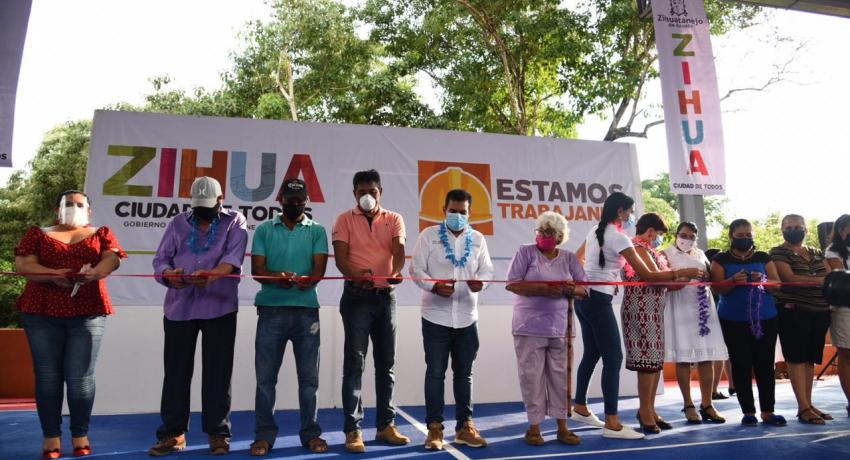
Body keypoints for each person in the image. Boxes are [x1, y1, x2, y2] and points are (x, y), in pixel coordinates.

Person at [570, 192, 701, 440]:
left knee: (593, 353)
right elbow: (648, 275)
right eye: (630, 212)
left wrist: (586, 280)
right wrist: (684, 272)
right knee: (613, 358)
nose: (631, 217)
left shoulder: (595, 230)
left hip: (584, 298)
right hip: (599, 300)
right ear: (621, 211)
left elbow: (577, 259)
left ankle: (580, 406)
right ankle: (612, 422)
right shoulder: (619, 237)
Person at [15, 190, 126, 460]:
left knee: (80, 378)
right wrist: (52, 274)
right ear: (57, 209)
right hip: (41, 312)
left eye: (79, 204)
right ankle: (51, 437)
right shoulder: (37, 233)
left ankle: (80, 435)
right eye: (67, 204)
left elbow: (112, 259)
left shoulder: (101, 233)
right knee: (47, 377)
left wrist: (94, 273)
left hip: (88, 312)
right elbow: (24, 264)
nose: (73, 207)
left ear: (89, 210)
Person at [148, 177, 249, 456]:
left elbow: (234, 258)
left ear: (220, 200)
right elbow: (160, 261)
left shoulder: (235, 221)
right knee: (176, 373)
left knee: (218, 373)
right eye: (198, 207)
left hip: (220, 307)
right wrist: (169, 275)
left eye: (208, 206)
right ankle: (173, 434)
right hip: (179, 307)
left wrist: (213, 275)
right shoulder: (177, 223)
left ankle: (218, 434)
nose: (202, 212)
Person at [249, 179, 329, 456]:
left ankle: (311, 434)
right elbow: (257, 270)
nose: (294, 204)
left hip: (307, 312)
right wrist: (276, 277)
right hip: (271, 311)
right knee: (265, 380)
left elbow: (319, 269)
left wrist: (310, 279)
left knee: (309, 380)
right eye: (289, 199)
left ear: (306, 201)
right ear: (280, 199)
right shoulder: (264, 230)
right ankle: (264, 436)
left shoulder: (317, 231)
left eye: (299, 200)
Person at [410, 189, 494, 451]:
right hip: (435, 317)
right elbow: (415, 269)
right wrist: (434, 286)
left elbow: (487, 270)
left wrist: (482, 283)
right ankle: (434, 429)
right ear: (444, 210)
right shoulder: (428, 236)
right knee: (435, 374)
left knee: (465, 375)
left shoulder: (478, 239)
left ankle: (464, 428)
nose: (458, 215)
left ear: (470, 213)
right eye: (453, 211)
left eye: (462, 212)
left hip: (467, 318)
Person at [332, 169, 410, 453]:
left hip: (386, 298)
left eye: (372, 191)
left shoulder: (394, 218)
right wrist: (356, 275)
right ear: (354, 193)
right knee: (355, 365)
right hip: (356, 298)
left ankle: (386, 426)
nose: (367, 196)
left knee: (386, 366)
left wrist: (396, 272)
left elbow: (398, 250)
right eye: (362, 192)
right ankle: (353, 430)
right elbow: (341, 260)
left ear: (381, 192)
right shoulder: (343, 220)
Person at [506, 211, 586, 447]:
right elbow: (512, 283)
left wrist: (571, 290)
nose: (542, 235)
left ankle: (563, 427)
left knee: (562, 379)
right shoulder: (525, 252)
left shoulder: (569, 258)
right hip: (528, 327)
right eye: (540, 231)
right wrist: (544, 289)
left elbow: (585, 289)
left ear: (559, 236)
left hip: (561, 328)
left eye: (548, 232)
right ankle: (534, 428)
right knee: (531, 378)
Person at [710, 218, 786, 427]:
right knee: (741, 364)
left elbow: (776, 284)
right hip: (733, 320)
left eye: (748, 235)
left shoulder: (763, 257)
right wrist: (732, 281)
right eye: (740, 235)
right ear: (731, 236)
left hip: (765, 318)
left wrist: (763, 280)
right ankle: (748, 411)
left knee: (765, 364)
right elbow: (718, 288)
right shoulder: (720, 259)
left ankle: (768, 411)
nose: (745, 238)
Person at [769, 214, 832, 424]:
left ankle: (809, 404)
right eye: (788, 227)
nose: (793, 230)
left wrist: (814, 280)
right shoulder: (778, 252)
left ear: (806, 229)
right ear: (782, 230)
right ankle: (803, 407)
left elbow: (830, 276)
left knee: (810, 359)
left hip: (820, 310)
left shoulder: (816, 252)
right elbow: (789, 278)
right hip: (793, 311)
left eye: (797, 227)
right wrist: (819, 280)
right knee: (796, 359)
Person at [663, 223, 728, 425]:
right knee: (683, 359)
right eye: (683, 235)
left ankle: (707, 404)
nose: (687, 239)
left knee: (706, 357)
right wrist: (683, 275)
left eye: (691, 236)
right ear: (676, 235)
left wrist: (707, 276)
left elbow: (710, 277)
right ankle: (688, 404)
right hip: (680, 305)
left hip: (703, 307)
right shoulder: (666, 254)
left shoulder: (700, 254)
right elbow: (662, 283)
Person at [824, 214, 850, 418]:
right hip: (844, 308)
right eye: (845, 228)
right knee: (847, 354)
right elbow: (840, 278)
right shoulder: (833, 251)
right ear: (839, 230)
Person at [705, 247, 735, 401]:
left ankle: (732, 385)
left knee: (725, 352)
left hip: (720, 314)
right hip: (714, 316)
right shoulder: (711, 280)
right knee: (719, 353)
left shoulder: (717, 278)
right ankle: (714, 389)